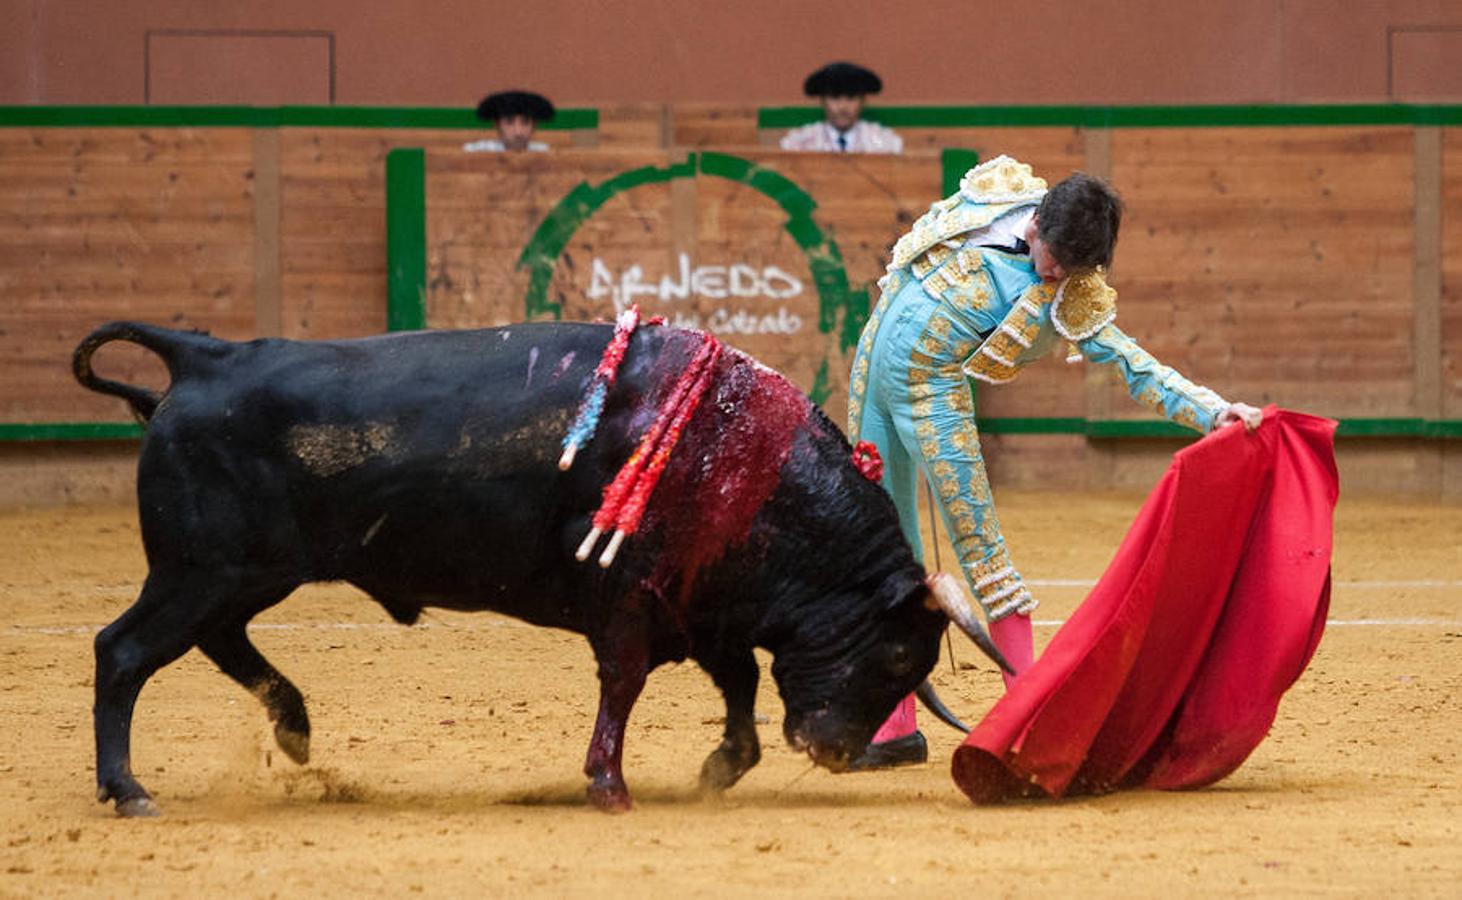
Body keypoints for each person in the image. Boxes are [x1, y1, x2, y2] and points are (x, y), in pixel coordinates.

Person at [846, 155, 1263, 769]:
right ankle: (893, 726)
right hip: (872, 366)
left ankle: (1031, 719)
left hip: (933, 393)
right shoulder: (998, 194)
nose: (1060, 272)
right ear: (1037, 224)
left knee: (980, 549)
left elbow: (1133, 364)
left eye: (1077, 266)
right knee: (879, 547)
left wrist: (1214, 411)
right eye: (1057, 256)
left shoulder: (1071, 293)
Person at [780, 62, 903, 154]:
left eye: (851, 97)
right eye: (835, 97)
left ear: (863, 101)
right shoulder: (798, 143)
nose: (843, 107)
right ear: (822, 101)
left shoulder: (885, 143)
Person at [464, 90, 555, 153]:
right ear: (497, 125)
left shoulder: (545, 154)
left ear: (534, 126)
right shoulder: (475, 152)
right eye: (509, 123)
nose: (518, 132)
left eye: (525, 123)